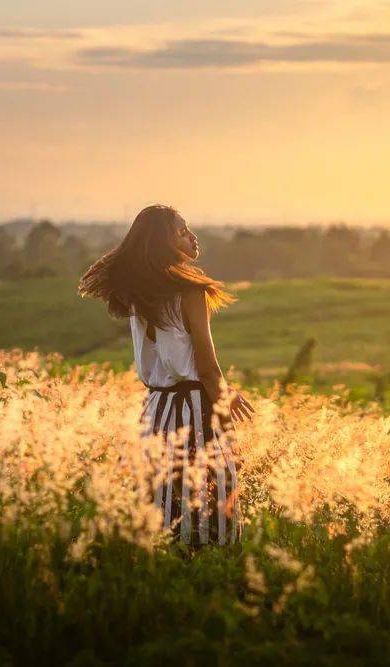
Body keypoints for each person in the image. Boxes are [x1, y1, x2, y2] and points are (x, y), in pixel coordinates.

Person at [78, 204, 254, 547]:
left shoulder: (142, 293)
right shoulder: (191, 291)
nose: (192, 235)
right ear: (164, 242)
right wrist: (227, 402)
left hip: (155, 412)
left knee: (163, 505)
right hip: (194, 411)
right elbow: (206, 367)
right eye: (181, 231)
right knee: (209, 503)